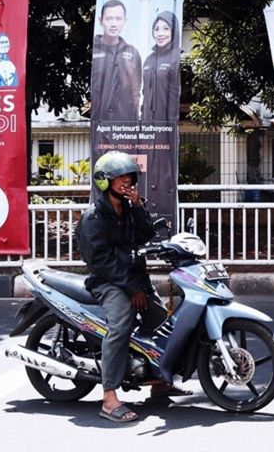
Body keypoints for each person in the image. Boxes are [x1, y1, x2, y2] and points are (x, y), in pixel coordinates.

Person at [76, 151, 188, 423]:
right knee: (121, 326)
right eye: (120, 177)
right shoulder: (93, 217)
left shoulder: (127, 208)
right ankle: (109, 397)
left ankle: (159, 381)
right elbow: (101, 261)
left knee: (161, 322)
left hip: (134, 279)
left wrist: (138, 206)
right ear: (105, 181)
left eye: (130, 177)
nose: (127, 181)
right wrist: (130, 289)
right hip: (108, 282)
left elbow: (146, 233)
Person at [92, 0, 143, 121]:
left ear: (124, 21)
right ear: (100, 20)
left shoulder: (133, 53)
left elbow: (136, 91)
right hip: (99, 123)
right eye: (109, 19)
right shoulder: (93, 50)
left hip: (125, 125)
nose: (113, 24)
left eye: (118, 19)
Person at [141, 12, 181, 122]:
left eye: (165, 28)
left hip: (167, 124)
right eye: (156, 29)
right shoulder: (149, 60)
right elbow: (145, 93)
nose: (160, 33)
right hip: (147, 124)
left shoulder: (178, 57)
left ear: (174, 31)